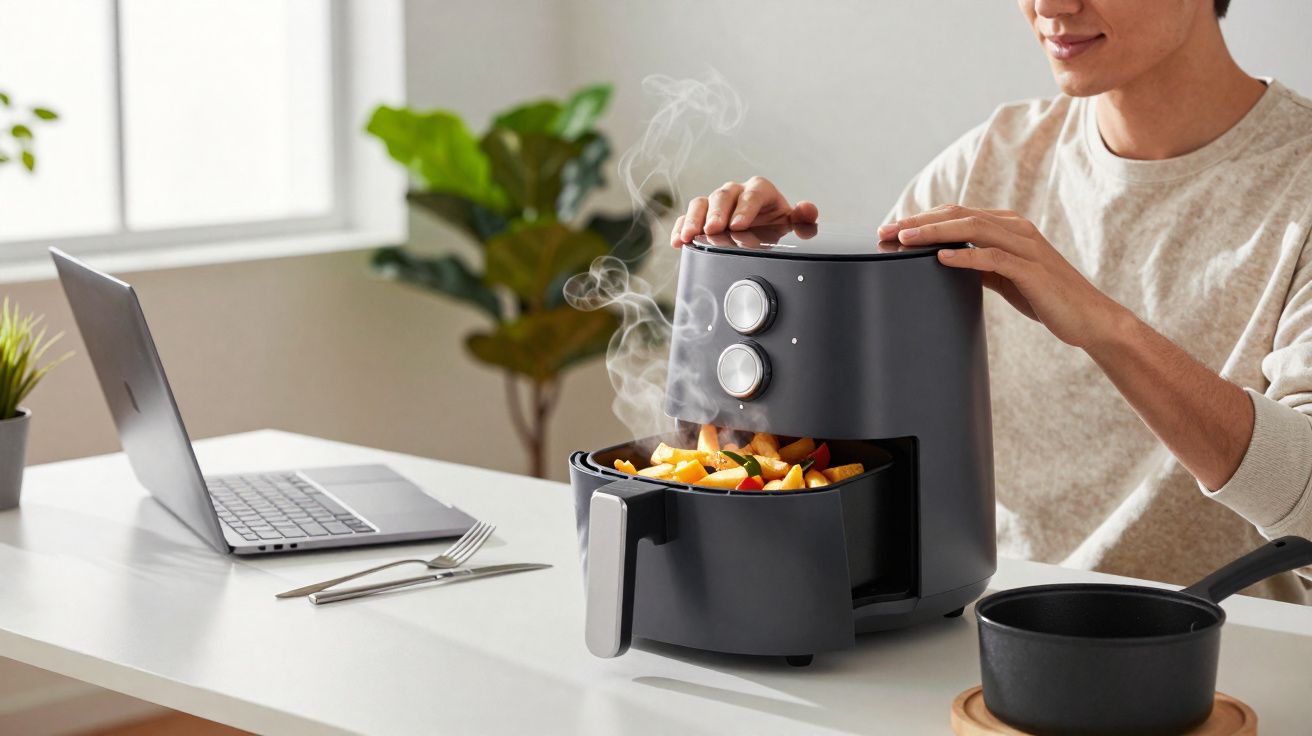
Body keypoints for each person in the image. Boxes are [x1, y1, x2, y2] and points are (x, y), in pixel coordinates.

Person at [670, 0, 1312, 602]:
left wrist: (1104, 328)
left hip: (1215, 653)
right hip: (988, 622)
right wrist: (769, 280)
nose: (1051, 6)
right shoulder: (991, 160)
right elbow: (837, 448)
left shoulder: (1298, 183)